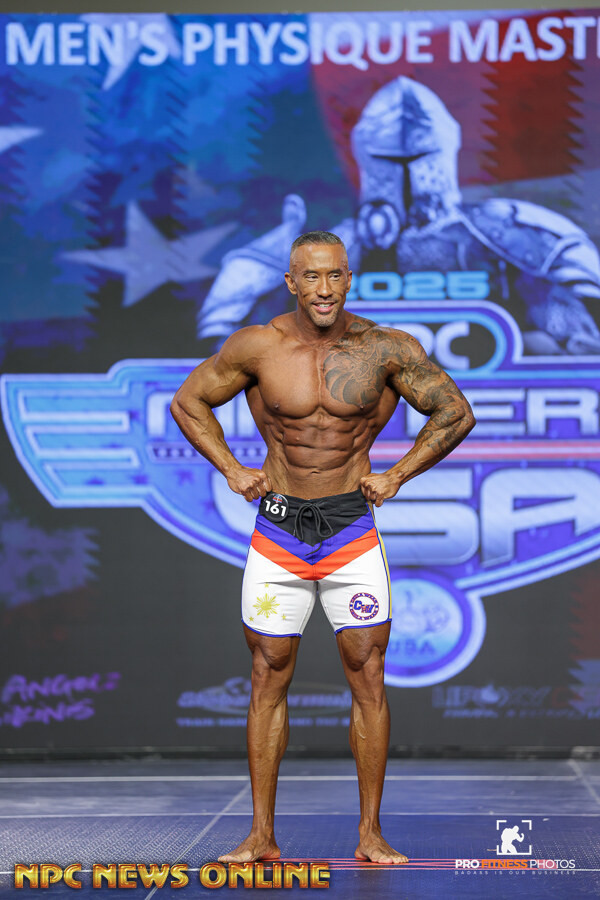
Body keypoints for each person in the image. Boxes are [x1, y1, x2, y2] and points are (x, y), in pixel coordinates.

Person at [171, 230, 475, 865]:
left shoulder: (385, 348)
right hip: (279, 532)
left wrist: (397, 474)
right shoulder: (257, 345)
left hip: (349, 532)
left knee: (368, 674)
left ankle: (370, 834)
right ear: (291, 282)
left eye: (335, 275)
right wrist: (231, 468)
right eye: (311, 276)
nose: (324, 288)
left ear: (349, 278)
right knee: (268, 674)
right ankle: (260, 836)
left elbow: (454, 412)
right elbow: (189, 402)